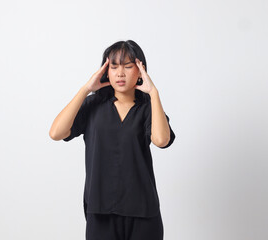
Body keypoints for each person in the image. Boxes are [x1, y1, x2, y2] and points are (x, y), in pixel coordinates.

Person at [49, 40, 175, 240]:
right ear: (106, 71)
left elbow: (161, 140)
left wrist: (154, 93)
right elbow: (56, 133)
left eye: (127, 66)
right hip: (101, 210)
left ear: (140, 70)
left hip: (143, 211)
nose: (120, 73)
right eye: (114, 66)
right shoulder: (93, 105)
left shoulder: (148, 108)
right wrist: (85, 89)